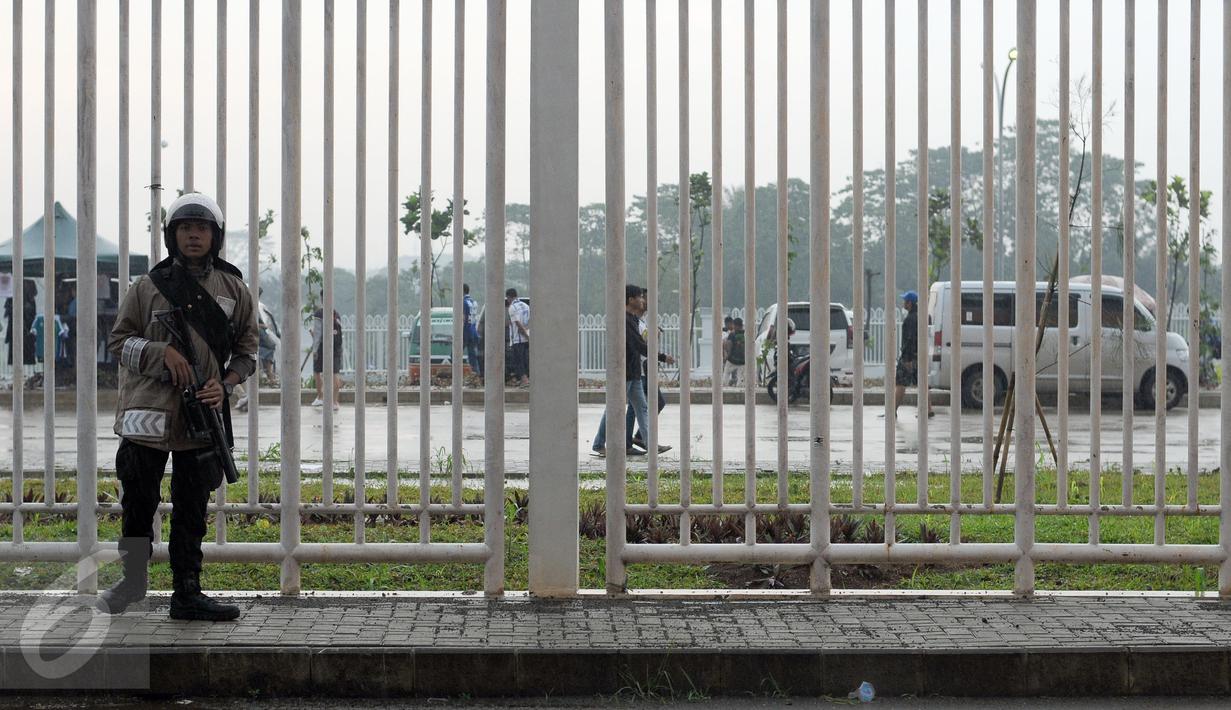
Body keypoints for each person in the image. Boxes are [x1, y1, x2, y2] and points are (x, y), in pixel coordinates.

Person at [98, 191, 258, 621]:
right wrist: (158, 353)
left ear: (214, 236)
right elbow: (117, 341)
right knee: (138, 504)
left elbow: (248, 352)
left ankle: (187, 592)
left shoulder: (233, 289)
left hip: (200, 418)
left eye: (201, 228)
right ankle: (132, 583)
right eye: (185, 228)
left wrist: (224, 385)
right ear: (172, 235)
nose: (193, 236)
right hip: (145, 416)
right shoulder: (147, 287)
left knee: (192, 509)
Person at [592, 285, 676, 458]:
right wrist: (662, 357)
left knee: (642, 408)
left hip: (634, 372)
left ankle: (649, 444)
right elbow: (638, 345)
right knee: (614, 408)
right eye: (640, 297)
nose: (643, 300)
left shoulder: (632, 319)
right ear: (630, 300)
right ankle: (599, 443)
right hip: (625, 372)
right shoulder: (624, 320)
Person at [625, 287, 672, 454]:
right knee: (641, 405)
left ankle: (637, 440)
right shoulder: (632, 320)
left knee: (639, 406)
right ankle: (627, 441)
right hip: (637, 368)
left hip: (641, 369)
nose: (648, 302)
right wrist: (661, 356)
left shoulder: (641, 320)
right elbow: (639, 345)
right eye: (645, 298)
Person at [893, 290, 934, 419]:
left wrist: (907, 359)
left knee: (900, 384)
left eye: (905, 300)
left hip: (909, 357)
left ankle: (892, 410)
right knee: (922, 383)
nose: (903, 303)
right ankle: (928, 409)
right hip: (919, 355)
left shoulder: (910, 319)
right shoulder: (920, 317)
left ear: (910, 303)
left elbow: (910, 339)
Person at [311, 307, 343, 410]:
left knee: (317, 371)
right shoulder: (336, 313)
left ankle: (321, 397)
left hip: (322, 347)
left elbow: (318, 334)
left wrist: (315, 349)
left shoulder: (319, 313)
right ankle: (334, 402)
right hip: (336, 348)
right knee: (335, 373)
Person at [506, 288, 530, 387]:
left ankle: (525, 380)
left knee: (518, 361)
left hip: (517, 339)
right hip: (526, 338)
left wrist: (524, 333)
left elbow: (517, 323)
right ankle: (525, 379)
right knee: (525, 359)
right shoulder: (526, 306)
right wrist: (528, 334)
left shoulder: (512, 308)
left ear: (509, 297)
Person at [462, 283, 481, 378]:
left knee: (455, 354)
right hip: (473, 331)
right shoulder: (473, 302)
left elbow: (463, 318)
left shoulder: (463, 302)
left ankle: (458, 373)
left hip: (465, 331)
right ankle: (476, 373)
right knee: (472, 355)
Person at [723, 317, 747, 386]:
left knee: (726, 374)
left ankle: (724, 388)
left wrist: (727, 356)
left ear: (735, 325)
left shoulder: (732, 334)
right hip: (743, 361)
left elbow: (729, 345)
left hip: (732, 359)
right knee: (741, 379)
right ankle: (740, 390)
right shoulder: (745, 334)